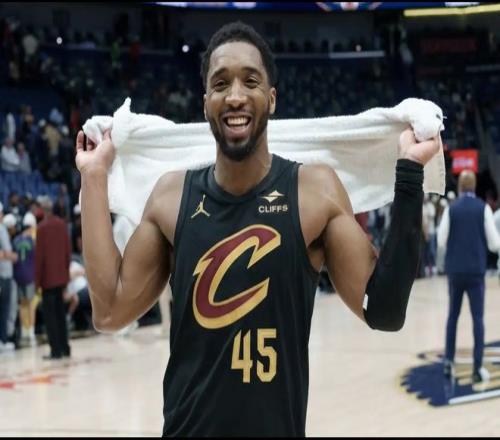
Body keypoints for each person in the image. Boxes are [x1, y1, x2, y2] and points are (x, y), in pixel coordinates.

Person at [76, 21, 440, 437]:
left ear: (271, 98)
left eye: (250, 81)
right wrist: (94, 176)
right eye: (220, 84)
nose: (235, 96)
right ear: (205, 102)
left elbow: (386, 311)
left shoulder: (314, 191)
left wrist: (409, 175)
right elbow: (109, 311)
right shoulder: (170, 198)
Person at [437, 170, 500, 383]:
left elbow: (441, 241)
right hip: (475, 272)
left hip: (455, 272)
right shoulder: (483, 209)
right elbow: (494, 243)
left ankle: (448, 361)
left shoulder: (451, 209)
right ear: (474, 187)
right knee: (478, 319)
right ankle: (477, 367)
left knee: (452, 317)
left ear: (460, 188)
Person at [35, 196, 72, 359]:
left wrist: (37, 282)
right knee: (61, 315)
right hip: (61, 278)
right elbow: (67, 251)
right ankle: (65, 348)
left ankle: (55, 351)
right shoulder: (62, 224)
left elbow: (40, 257)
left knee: (51, 318)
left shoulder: (41, 228)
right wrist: (66, 274)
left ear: (43, 211)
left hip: (48, 280)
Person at [13, 212, 38, 346]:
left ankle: (24, 332)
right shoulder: (33, 241)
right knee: (31, 305)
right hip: (30, 276)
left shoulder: (16, 240)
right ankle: (31, 332)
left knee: (22, 304)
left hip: (18, 276)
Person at [0, 202, 18, 352]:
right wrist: (14, 256)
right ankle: (3, 340)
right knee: (4, 308)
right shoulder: (1, 229)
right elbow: (6, 253)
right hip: (4, 275)